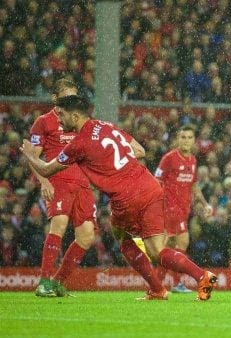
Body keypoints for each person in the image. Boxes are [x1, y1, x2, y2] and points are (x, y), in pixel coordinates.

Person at [20, 95, 217, 301]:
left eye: (62, 116)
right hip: (149, 186)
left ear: (76, 116)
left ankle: (158, 289)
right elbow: (139, 150)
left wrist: (30, 155)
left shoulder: (78, 144)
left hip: (127, 197)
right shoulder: (106, 126)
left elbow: (46, 168)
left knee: (123, 238)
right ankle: (202, 276)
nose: (59, 121)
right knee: (157, 250)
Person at [29, 79, 97, 297]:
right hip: (58, 180)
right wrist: (44, 181)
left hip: (83, 183)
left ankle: (57, 282)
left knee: (87, 236)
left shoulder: (80, 122)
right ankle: (44, 281)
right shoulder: (43, 122)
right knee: (58, 224)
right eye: (66, 96)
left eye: (73, 97)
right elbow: (33, 156)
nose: (71, 101)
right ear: (55, 98)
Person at [154, 125, 212, 293]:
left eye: (189, 137)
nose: (186, 140)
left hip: (183, 209)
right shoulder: (169, 158)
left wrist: (204, 203)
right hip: (170, 208)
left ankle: (157, 283)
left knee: (169, 247)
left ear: (194, 141)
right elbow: (156, 180)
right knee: (181, 242)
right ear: (178, 140)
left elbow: (194, 185)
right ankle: (174, 283)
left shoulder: (193, 160)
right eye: (183, 137)